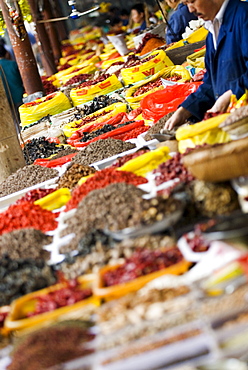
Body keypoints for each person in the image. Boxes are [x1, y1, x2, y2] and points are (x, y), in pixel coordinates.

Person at [162, 0, 248, 131]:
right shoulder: (212, 31)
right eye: (186, 4)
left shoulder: (244, 16)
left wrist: (231, 94)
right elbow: (211, 82)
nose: (190, 9)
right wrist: (185, 110)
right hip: (235, 123)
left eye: (192, 1)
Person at [0, 44, 24, 124]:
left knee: (14, 122)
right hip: (19, 97)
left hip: (5, 100)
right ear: (6, 53)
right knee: (24, 120)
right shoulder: (13, 64)